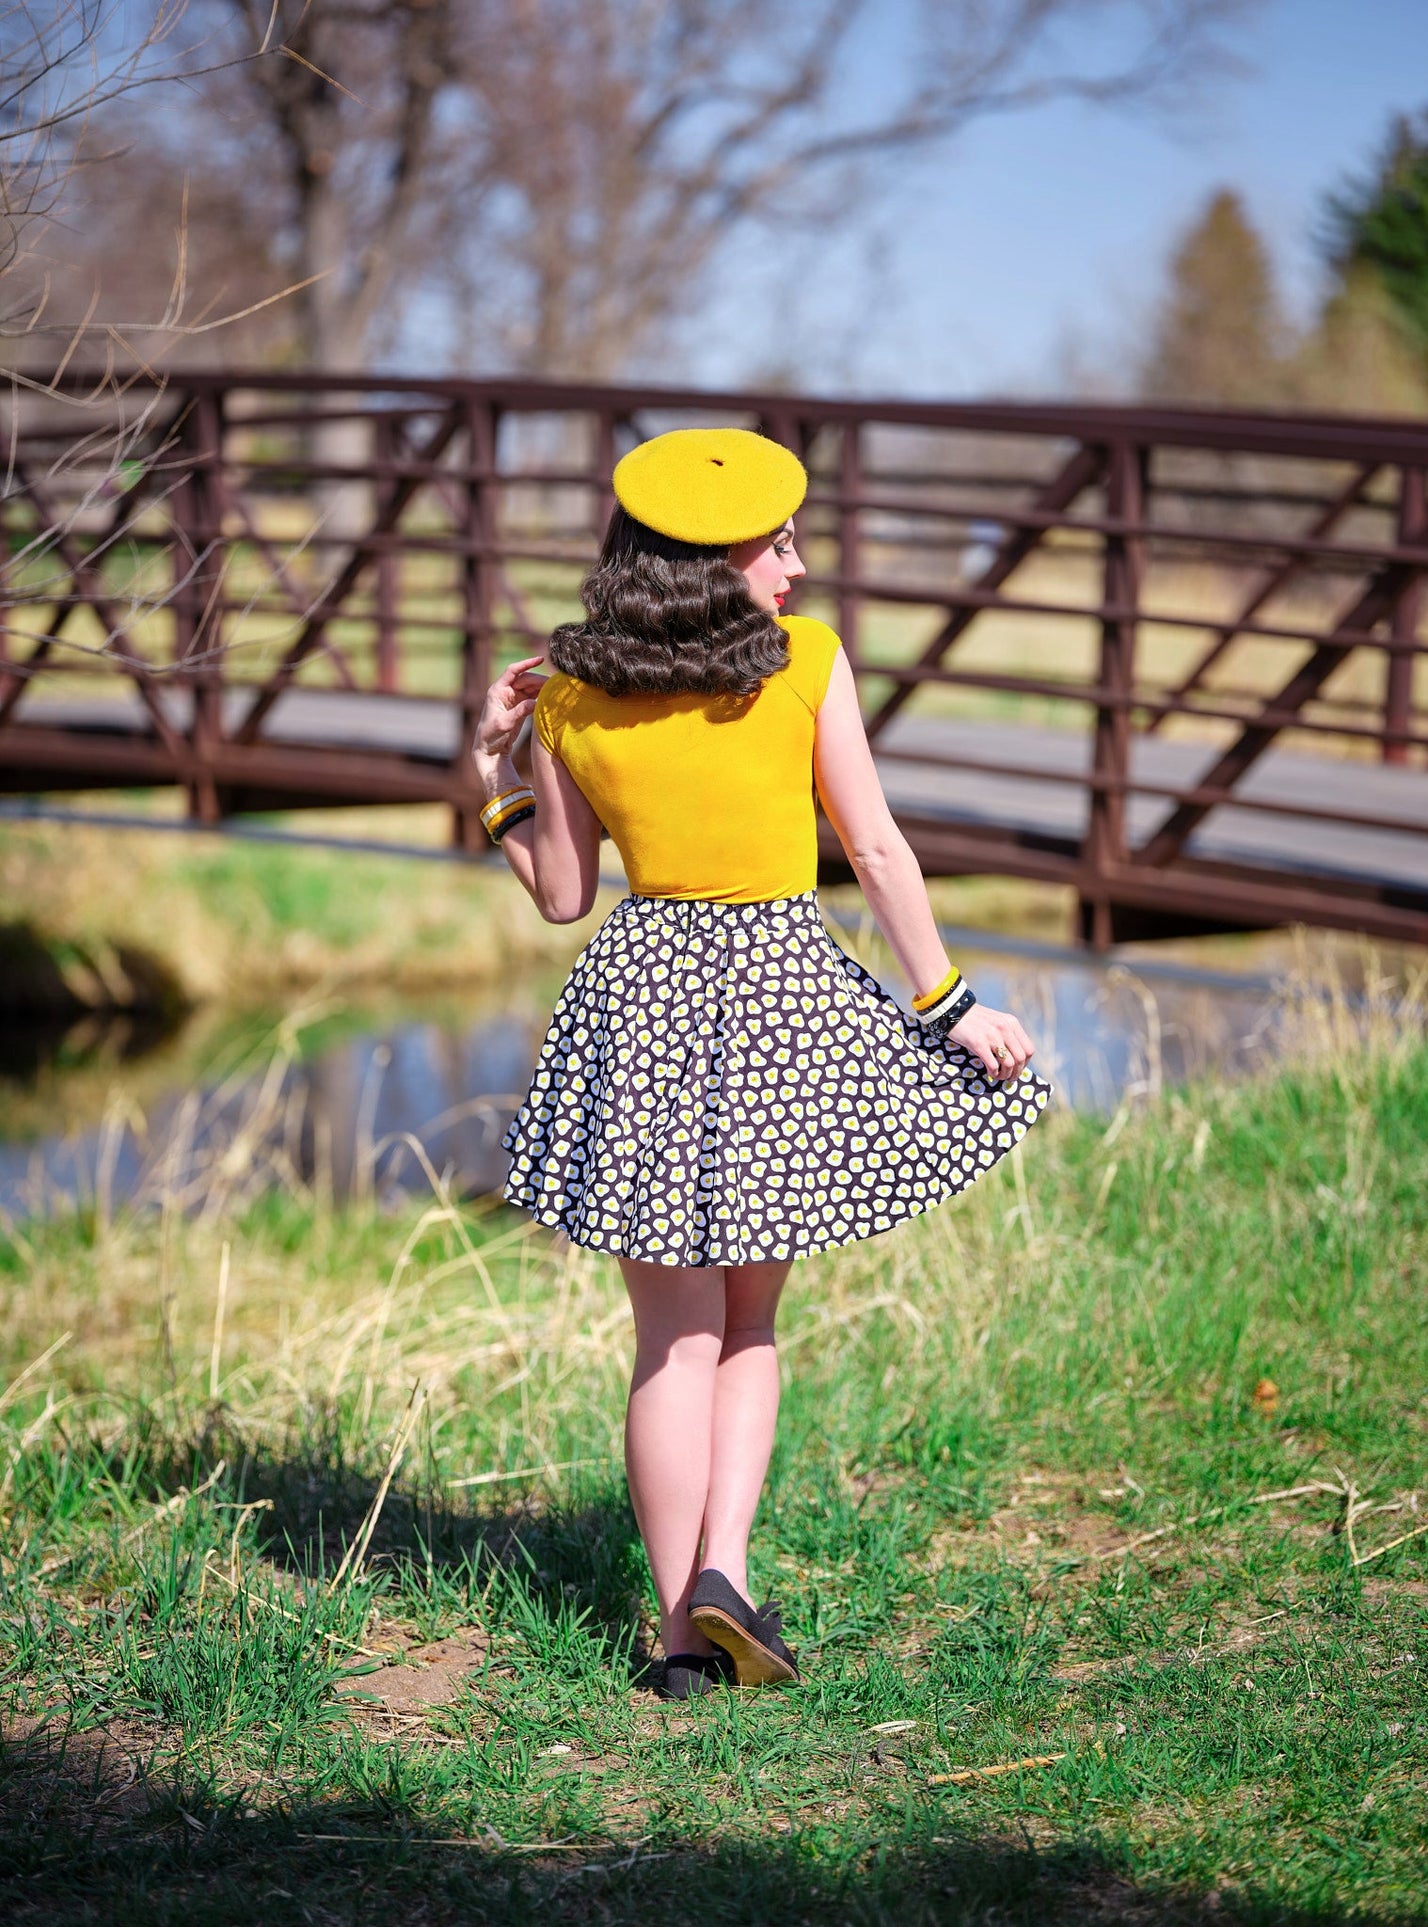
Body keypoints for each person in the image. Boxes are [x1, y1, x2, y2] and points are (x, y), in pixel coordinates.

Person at [470, 427, 1050, 1700]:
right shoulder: (804, 663)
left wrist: (490, 777)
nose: (794, 566)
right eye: (773, 546)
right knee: (747, 1322)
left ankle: (679, 1644)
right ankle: (723, 1570)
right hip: (780, 1000)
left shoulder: (567, 695)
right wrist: (946, 1002)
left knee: (666, 1341)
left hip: (640, 1003)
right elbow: (876, 848)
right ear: (707, 562)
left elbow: (561, 895)